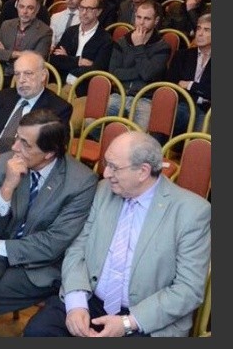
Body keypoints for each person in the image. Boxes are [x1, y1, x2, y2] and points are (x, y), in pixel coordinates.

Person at [24, 130, 211, 337]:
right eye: (107, 164)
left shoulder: (191, 212)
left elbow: (188, 289)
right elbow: (78, 249)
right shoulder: (104, 190)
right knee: (38, 331)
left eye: (114, 167)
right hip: (91, 299)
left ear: (143, 171)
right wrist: (76, 303)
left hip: (148, 317)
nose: (105, 173)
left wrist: (128, 323)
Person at [0, 109, 97, 336]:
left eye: (25, 144)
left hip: (40, 266)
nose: (15, 147)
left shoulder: (81, 183)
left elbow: (52, 245)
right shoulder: (7, 163)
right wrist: (8, 188)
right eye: (17, 137)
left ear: (49, 153)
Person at [0, 52, 72, 157]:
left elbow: (50, 153)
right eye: (17, 74)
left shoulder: (58, 109)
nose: (21, 80)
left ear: (43, 75)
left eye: (28, 73)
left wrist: (3, 162)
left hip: (24, 168)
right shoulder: (3, 97)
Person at [106, 0, 170, 131]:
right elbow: (114, 72)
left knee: (139, 135)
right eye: (139, 17)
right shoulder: (122, 42)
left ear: (156, 21)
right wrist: (139, 72)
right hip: (119, 94)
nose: (141, 22)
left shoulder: (162, 47)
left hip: (144, 99)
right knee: (91, 123)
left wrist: (139, 47)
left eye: (147, 19)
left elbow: (148, 74)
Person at [50, 0, 113, 96]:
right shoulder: (70, 31)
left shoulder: (105, 39)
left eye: (89, 9)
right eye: (82, 8)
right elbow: (54, 59)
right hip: (60, 81)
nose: (84, 12)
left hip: (83, 89)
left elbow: (97, 69)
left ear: (98, 12)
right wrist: (78, 61)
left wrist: (67, 59)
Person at [0, 0, 53, 77]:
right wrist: (15, 54)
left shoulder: (44, 31)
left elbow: (37, 60)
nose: (24, 11)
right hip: (0, 73)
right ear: (17, 7)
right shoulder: (6, 25)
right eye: (21, 6)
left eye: (30, 8)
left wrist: (4, 53)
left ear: (37, 9)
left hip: (25, 77)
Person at [167, 13, 211, 134]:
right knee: (165, 112)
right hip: (183, 105)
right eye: (198, 28)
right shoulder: (182, 55)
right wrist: (201, 92)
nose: (200, 33)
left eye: (206, 30)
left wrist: (190, 85)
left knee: (201, 137)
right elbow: (172, 84)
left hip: (207, 111)